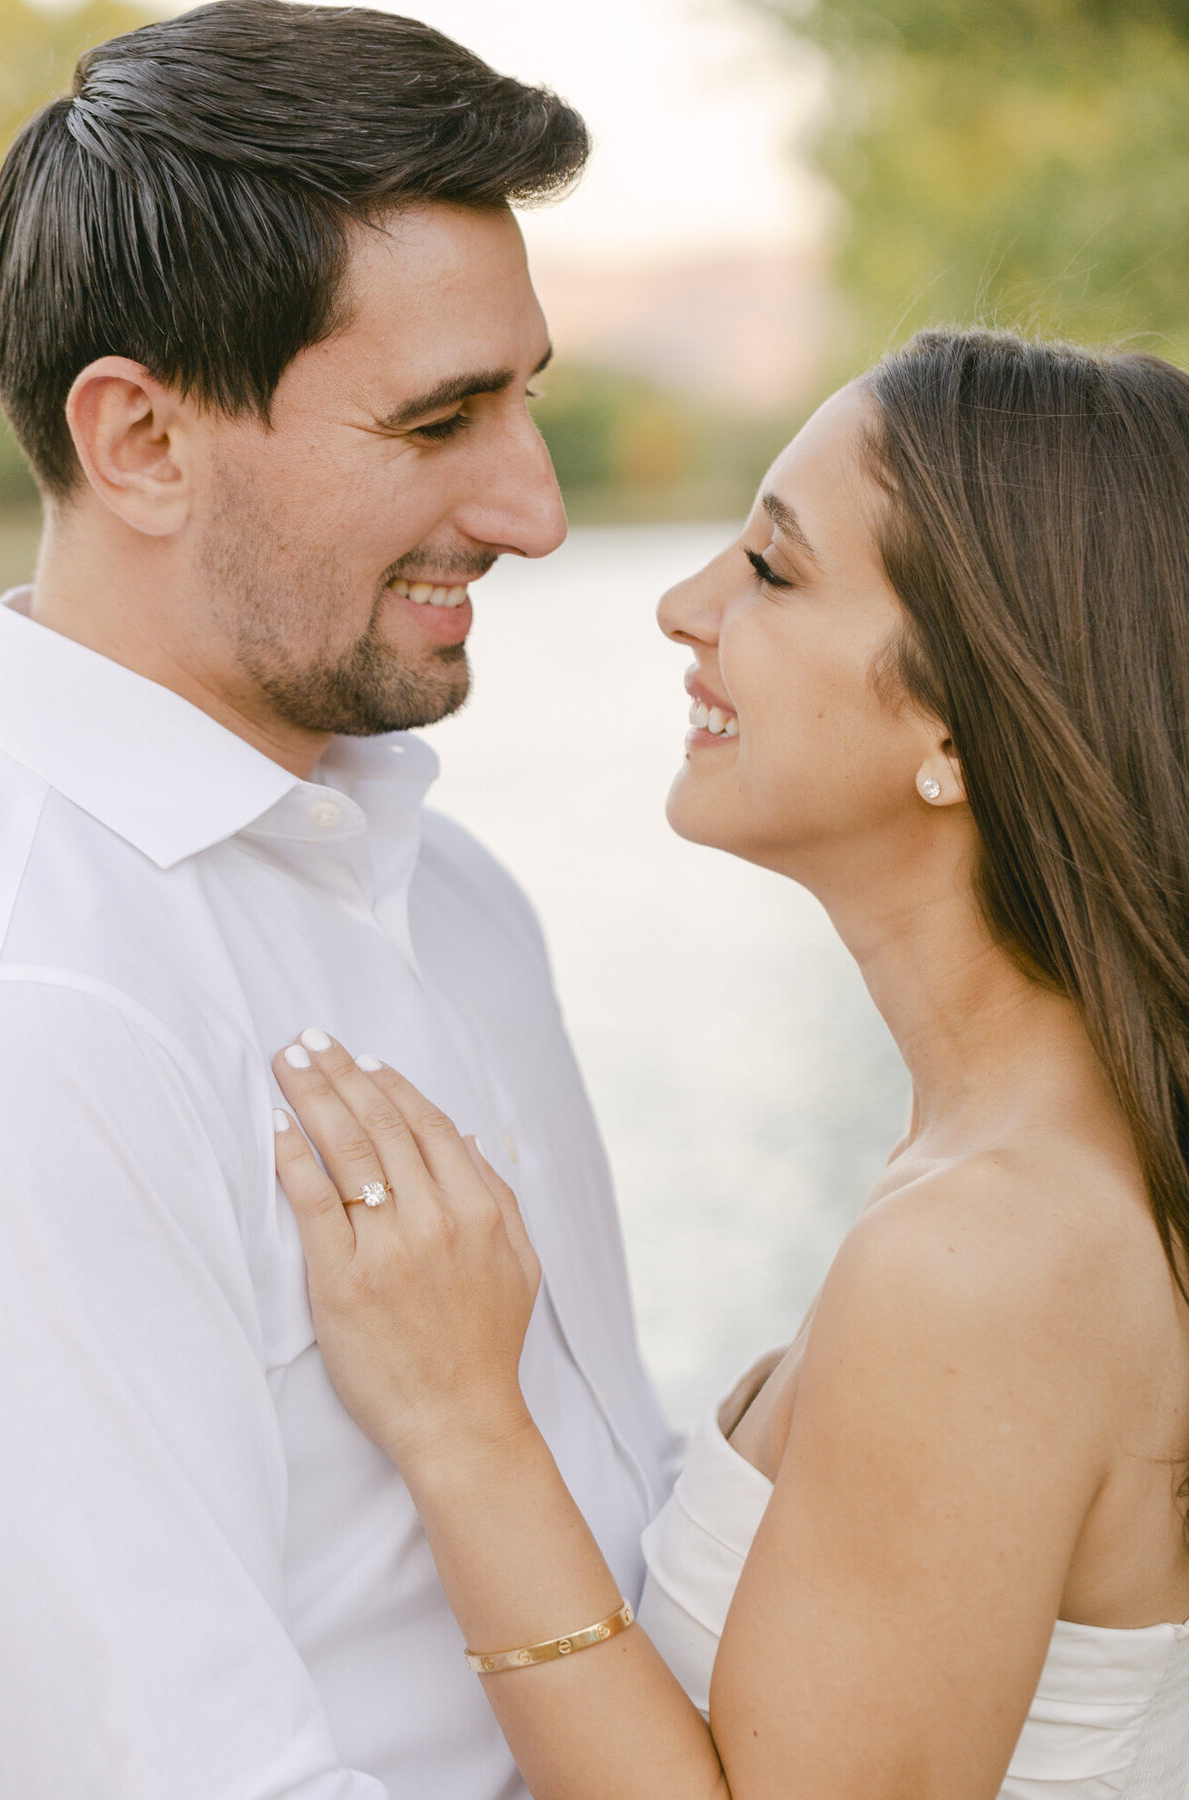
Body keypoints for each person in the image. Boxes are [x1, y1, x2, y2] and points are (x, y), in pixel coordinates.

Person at [271, 328, 1189, 1799]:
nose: (682, 606)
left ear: (962, 711)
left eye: (771, 572)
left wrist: (464, 1426)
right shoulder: (1009, 1177)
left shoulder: (990, 1252)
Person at [0, 3, 678, 1794]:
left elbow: (621, 1481)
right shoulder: (39, 992)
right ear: (141, 438)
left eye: (525, 396)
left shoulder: (446, 882)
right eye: (441, 417)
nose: (531, 508)